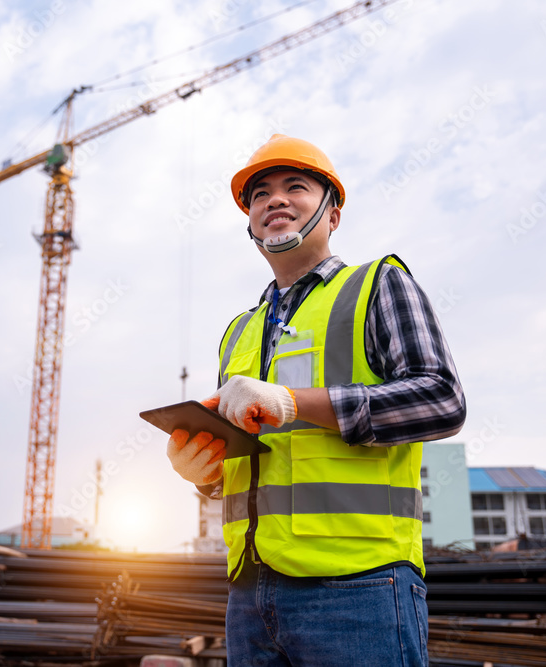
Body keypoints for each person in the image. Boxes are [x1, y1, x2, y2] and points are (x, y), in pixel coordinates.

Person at [166, 134, 466, 666]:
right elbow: (250, 465)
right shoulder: (239, 332)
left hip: (360, 586)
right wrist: (204, 473)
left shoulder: (377, 285)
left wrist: (292, 401)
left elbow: (441, 399)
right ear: (252, 223)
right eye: (260, 194)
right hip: (249, 594)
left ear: (332, 215)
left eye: (295, 187)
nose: (274, 200)